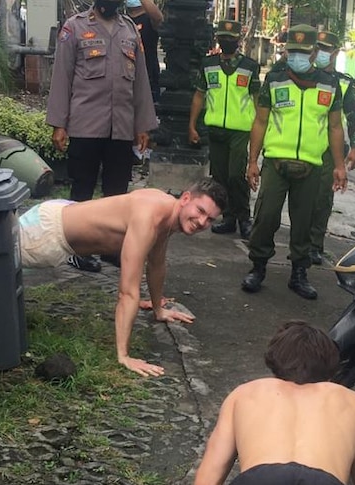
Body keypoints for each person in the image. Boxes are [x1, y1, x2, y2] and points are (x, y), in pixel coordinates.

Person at [19, 178, 227, 377]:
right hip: (46, 234)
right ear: (185, 198)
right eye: (200, 211)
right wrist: (124, 355)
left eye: (210, 219)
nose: (202, 222)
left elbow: (157, 263)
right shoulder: (148, 219)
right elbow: (127, 292)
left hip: (63, 211)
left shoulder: (165, 209)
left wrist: (159, 309)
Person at [194, 320, 355, 485]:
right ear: (330, 367)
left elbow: (212, 470)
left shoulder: (246, 393)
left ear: (275, 362)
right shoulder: (351, 401)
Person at [47, 0, 158, 272]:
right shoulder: (74, 28)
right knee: (82, 189)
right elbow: (62, 77)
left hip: (120, 127)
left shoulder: (130, 30)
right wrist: (59, 124)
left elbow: (141, 81)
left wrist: (141, 125)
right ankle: (77, 249)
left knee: (117, 194)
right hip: (86, 125)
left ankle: (111, 249)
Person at [242, 24, 347, 300]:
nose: (297, 56)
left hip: (312, 165)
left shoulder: (329, 84)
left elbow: (335, 127)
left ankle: (299, 273)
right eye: (292, 51)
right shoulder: (274, 80)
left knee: (304, 223)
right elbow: (260, 121)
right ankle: (258, 266)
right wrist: (252, 161)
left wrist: (339, 165)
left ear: (314, 53)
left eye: (303, 52)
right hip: (276, 163)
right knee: (265, 217)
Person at [188, 20, 261, 239]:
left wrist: (260, 131)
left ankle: (243, 218)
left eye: (231, 38)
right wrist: (192, 125)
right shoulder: (208, 64)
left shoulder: (249, 67)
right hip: (215, 128)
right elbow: (199, 95)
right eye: (222, 38)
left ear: (238, 40)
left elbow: (257, 101)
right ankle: (227, 217)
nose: (226, 41)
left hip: (240, 130)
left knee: (236, 175)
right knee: (219, 177)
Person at [310, 30, 355, 266]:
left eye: (326, 49)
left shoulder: (344, 82)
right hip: (305, 145)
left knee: (322, 199)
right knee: (302, 198)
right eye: (318, 47)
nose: (322, 53)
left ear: (336, 52)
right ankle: (298, 241)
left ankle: (314, 245)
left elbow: (354, 117)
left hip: (332, 151)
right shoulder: (304, 77)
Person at [125, 0, 163, 102]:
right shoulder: (122, 20)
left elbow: (158, 17)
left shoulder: (150, 19)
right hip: (125, 78)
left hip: (148, 77)